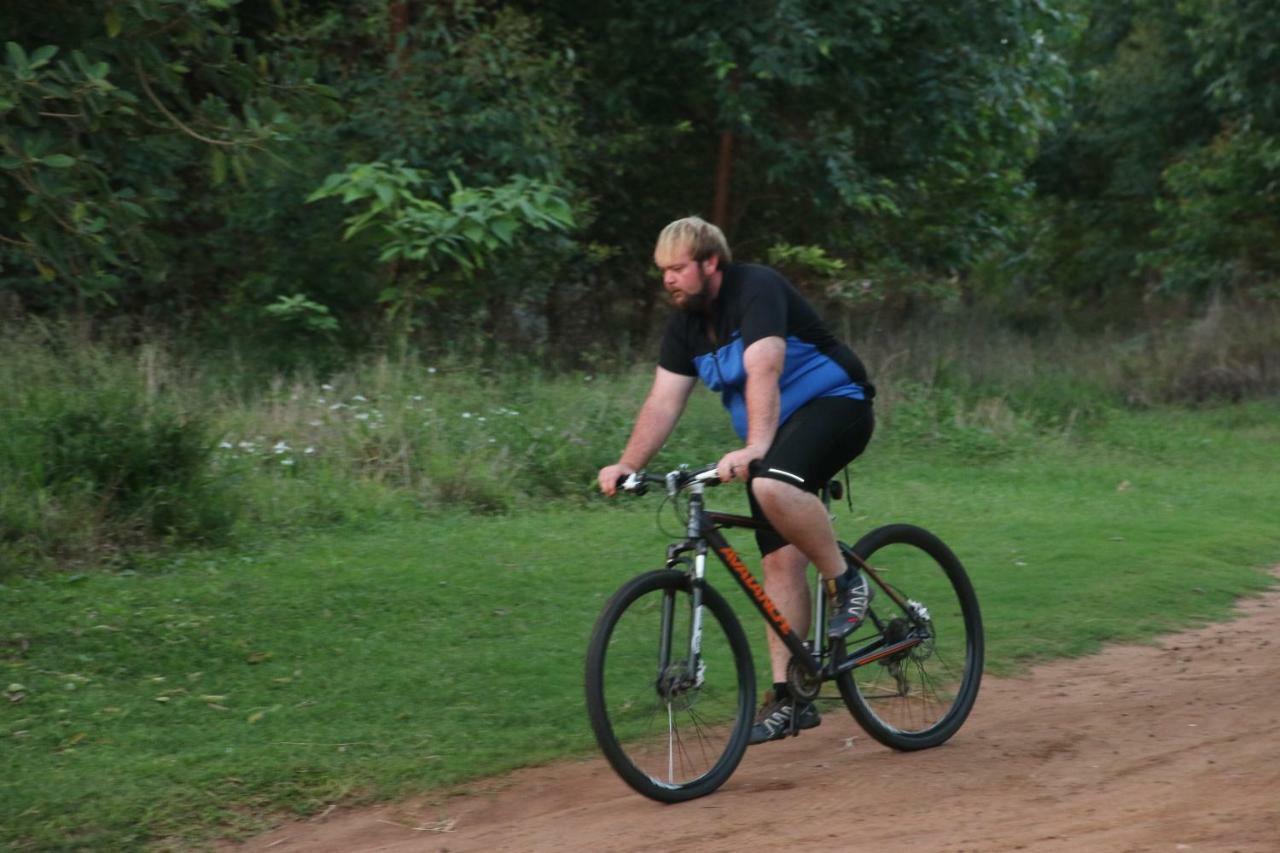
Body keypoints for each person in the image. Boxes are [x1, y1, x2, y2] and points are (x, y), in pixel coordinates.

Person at [598, 216, 876, 744]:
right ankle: (791, 697)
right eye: (662, 271)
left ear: (710, 263)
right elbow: (662, 401)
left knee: (772, 486)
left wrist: (754, 449)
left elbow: (765, 365)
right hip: (773, 435)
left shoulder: (757, 287)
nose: (669, 280)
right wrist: (628, 464)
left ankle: (846, 582)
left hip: (835, 405)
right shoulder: (685, 324)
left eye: (678, 268)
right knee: (778, 560)